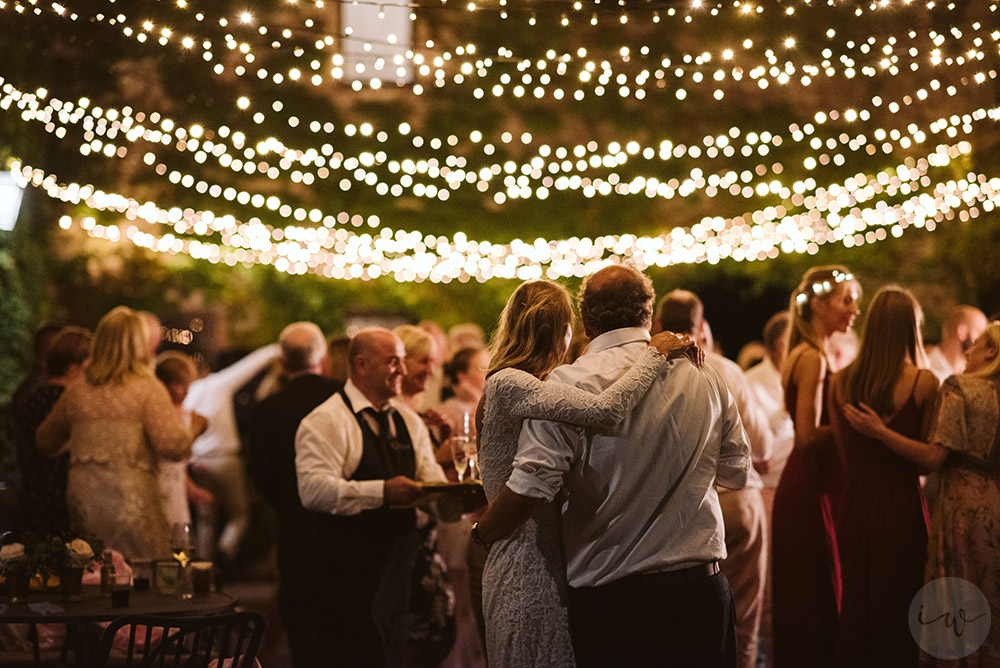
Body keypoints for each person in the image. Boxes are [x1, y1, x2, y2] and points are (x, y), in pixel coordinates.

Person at [474, 268, 744, 668]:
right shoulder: (705, 373)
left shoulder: (568, 381)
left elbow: (534, 484)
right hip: (701, 593)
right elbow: (736, 472)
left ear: (587, 320)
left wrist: (482, 535)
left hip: (616, 607)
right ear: (648, 313)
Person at [843, 321, 1000, 666]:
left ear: (993, 351)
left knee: (957, 606)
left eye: (977, 344)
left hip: (962, 507)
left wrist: (880, 431)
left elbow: (932, 457)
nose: (968, 350)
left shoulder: (958, 387)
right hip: (994, 505)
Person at [294, 328, 452, 668]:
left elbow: (431, 481)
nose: (402, 370)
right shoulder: (325, 421)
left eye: (401, 361)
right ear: (362, 365)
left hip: (398, 573)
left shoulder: (408, 421)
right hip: (344, 575)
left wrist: (457, 497)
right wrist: (381, 492)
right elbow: (313, 491)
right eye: (392, 361)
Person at [655, 290, 771, 668]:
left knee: (690, 624)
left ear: (657, 326)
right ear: (701, 326)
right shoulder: (726, 370)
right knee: (746, 617)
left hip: (684, 509)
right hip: (737, 501)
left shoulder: (649, 372)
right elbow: (763, 445)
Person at [828, 286, 938, 667]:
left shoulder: (839, 381)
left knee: (857, 603)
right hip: (901, 505)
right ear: (911, 328)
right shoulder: (924, 382)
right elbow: (927, 462)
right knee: (903, 605)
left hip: (854, 502)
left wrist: (875, 437)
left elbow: (845, 455)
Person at [35, 306, 192, 559]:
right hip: (131, 500)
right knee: (144, 570)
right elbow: (173, 446)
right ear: (138, 345)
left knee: (92, 567)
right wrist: (193, 429)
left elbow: (45, 442)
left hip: (85, 500)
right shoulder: (147, 389)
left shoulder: (78, 389)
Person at [771, 265, 860, 668]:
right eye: (846, 299)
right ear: (819, 306)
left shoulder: (803, 353)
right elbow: (807, 434)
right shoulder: (812, 360)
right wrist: (857, 424)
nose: (855, 308)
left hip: (807, 481)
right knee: (814, 593)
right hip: (810, 485)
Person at [247, 322, 340, 668]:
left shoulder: (269, 408)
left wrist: (286, 501)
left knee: (297, 604)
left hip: (293, 517)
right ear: (324, 358)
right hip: (345, 519)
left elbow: (258, 472)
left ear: (283, 362)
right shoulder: (343, 397)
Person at [183, 343, 279, 562]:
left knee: (206, 518)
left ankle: (205, 567)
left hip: (199, 461)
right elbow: (250, 366)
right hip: (226, 459)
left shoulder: (187, 394)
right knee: (240, 514)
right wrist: (275, 349)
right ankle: (226, 550)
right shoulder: (217, 383)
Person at [743, 310, 794, 666]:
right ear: (781, 345)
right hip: (766, 494)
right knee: (769, 590)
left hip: (798, 491)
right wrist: (788, 408)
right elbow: (758, 449)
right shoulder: (752, 383)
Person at [14, 326, 92, 536]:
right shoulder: (66, 401)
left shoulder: (33, 396)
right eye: (88, 367)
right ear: (74, 368)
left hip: (33, 495)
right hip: (57, 498)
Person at [154, 352, 211, 528]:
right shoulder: (156, 415)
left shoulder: (189, 416)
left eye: (188, 384)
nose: (186, 390)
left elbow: (179, 466)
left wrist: (191, 489)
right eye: (180, 385)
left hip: (178, 490)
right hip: (157, 487)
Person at [926, 305, 988, 383]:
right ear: (962, 332)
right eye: (980, 333)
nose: (984, 341)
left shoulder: (971, 374)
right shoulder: (928, 372)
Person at [438, 347, 490, 432]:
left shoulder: (490, 402)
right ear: (461, 375)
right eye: (482, 370)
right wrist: (477, 400)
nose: (488, 375)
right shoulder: (450, 410)